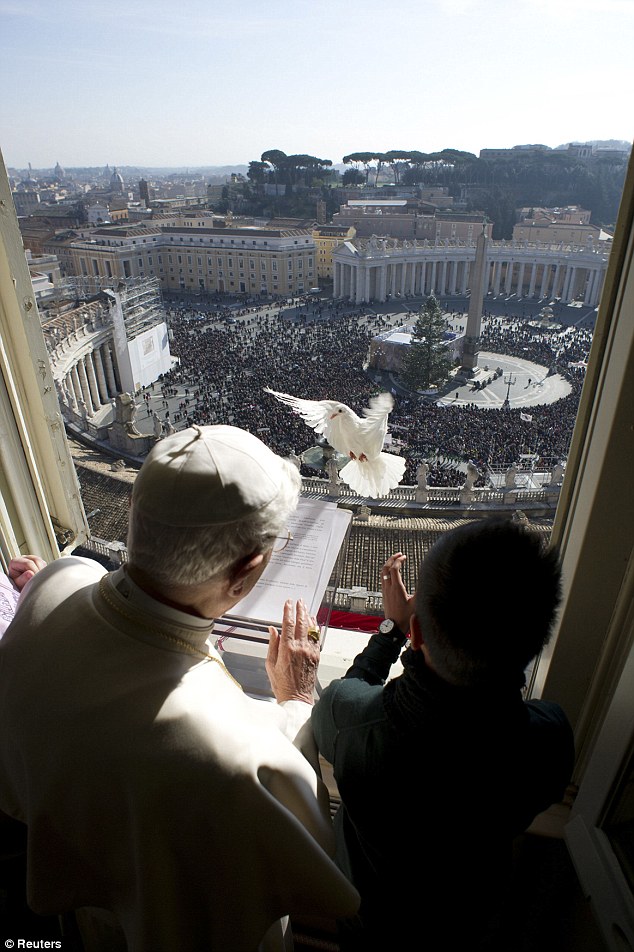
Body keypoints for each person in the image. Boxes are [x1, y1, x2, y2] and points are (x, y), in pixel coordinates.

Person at [0, 425, 358, 952]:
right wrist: (299, 702)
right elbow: (305, 850)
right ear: (245, 571)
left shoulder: (57, 581)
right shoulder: (235, 759)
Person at [311, 519, 574, 950]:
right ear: (536, 640)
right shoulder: (548, 740)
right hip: (469, 925)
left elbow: (347, 696)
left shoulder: (349, 721)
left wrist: (390, 629)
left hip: (369, 924)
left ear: (416, 633)